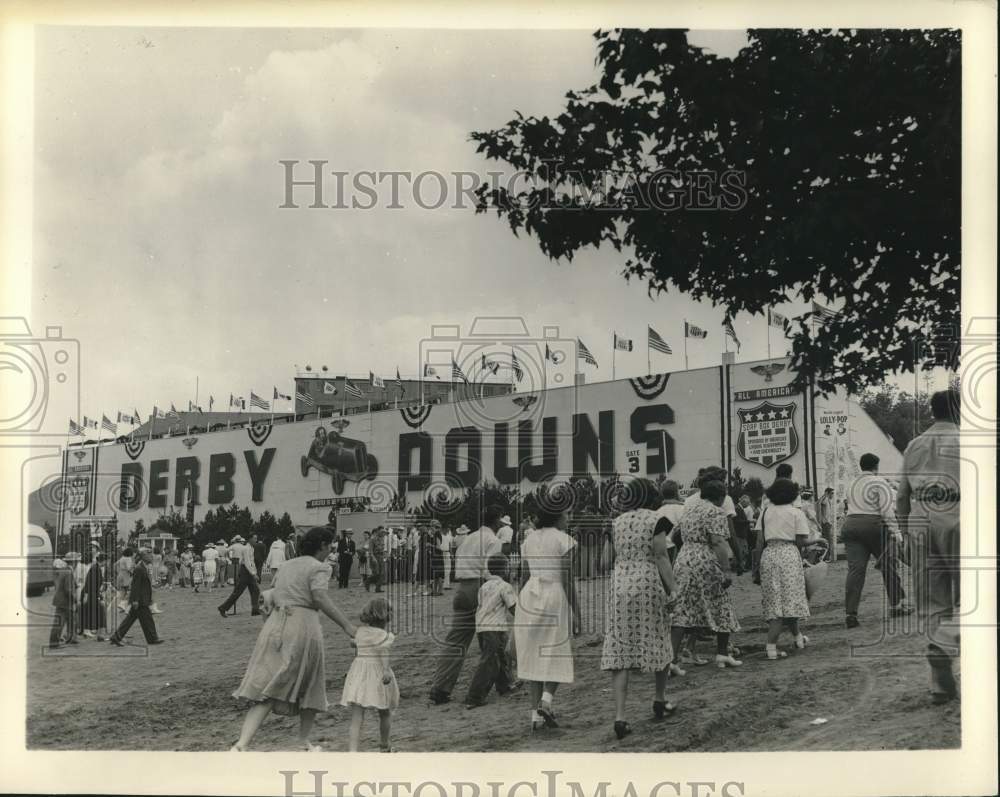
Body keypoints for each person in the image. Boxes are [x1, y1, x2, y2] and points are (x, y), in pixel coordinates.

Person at [231, 527, 358, 751]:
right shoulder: (319, 568)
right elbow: (319, 597)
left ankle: (241, 744)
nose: (330, 549)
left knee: (268, 684)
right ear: (322, 546)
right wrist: (347, 626)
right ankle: (302, 742)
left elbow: (270, 594)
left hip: (275, 625)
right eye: (329, 545)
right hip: (303, 626)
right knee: (311, 684)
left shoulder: (287, 565)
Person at [896, 389, 961, 704]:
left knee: (932, 601)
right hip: (958, 514)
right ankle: (948, 643)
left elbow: (901, 497)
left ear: (933, 412)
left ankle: (939, 683)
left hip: (920, 518)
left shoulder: (913, 445)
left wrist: (907, 535)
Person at [601, 479, 677, 740]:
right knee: (659, 636)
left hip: (620, 584)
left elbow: (603, 562)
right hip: (647, 581)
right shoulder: (657, 519)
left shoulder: (615, 523)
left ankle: (620, 716)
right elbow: (660, 555)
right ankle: (659, 698)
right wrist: (673, 589)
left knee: (620, 648)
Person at [515, 492, 580, 730]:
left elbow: (523, 574)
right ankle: (546, 700)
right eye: (567, 513)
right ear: (557, 515)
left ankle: (536, 717)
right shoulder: (564, 540)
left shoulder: (528, 540)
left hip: (530, 594)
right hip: (553, 594)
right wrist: (577, 612)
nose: (569, 518)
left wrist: (519, 606)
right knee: (556, 649)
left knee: (533, 653)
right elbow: (567, 578)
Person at [428, 508, 504, 705]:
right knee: (493, 638)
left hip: (462, 588)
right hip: (479, 587)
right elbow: (490, 570)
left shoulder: (468, 538)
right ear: (496, 523)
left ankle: (440, 687)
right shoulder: (493, 541)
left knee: (456, 641)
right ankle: (491, 688)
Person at [670, 480, 742, 670]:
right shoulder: (715, 511)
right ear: (720, 497)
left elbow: (676, 536)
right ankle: (722, 654)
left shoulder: (690, 510)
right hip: (704, 559)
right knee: (721, 604)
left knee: (683, 609)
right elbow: (717, 542)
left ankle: (671, 661)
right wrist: (726, 569)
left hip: (684, 558)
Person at [842, 452, 912, 628]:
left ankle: (851, 613)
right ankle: (897, 605)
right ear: (876, 467)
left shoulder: (851, 483)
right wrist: (897, 533)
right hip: (873, 524)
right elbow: (886, 511)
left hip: (850, 524)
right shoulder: (879, 482)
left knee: (855, 571)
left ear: (861, 466)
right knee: (888, 565)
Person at [752, 478, 812, 660]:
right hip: (789, 555)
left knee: (776, 599)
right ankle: (771, 648)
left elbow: (759, 542)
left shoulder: (765, 512)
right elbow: (801, 541)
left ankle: (798, 637)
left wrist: (756, 567)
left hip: (769, 555)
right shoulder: (796, 513)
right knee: (791, 598)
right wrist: (815, 542)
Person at [342, 597, 399, 752]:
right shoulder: (383, 636)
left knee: (357, 715)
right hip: (377, 674)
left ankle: (352, 750)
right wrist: (386, 670)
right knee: (384, 711)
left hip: (359, 673)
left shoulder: (359, 632)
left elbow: (354, 644)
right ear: (386, 616)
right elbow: (383, 653)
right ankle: (384, 745)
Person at [465, 554, 518, 709]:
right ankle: (474, 696)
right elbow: (513, 607)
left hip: (482, 627)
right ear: (505, 569)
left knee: (499, 657)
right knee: (490, 661)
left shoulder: (484, 586)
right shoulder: (505, 586)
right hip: (495, 627)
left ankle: (505, 685)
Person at [109, 549, 163, 646]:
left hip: (141, 599)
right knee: (147, 620)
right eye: (149, 555)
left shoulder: (143, 567)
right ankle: (152, 639)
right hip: (140, 600)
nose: (151, 556)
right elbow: (135, 586)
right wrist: (135, 600)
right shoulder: (139, 569)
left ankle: (116, 637)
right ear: (143, 556)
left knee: (131, 620)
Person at [217, 535, 262, 617]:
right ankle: (223, 608)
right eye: (254, 538)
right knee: (238, 592)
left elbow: (252, 562)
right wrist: (254, 574)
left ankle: (255, 609)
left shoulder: (251, 548)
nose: (256, 540)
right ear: (250, 539)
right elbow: (248, 562)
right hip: (245, 571)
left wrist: (254, 572)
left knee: (255, 590)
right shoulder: (246, 548)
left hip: (248, 572)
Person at [48, 557, 78, 649]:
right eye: (76, 562)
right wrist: (75, 599)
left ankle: (70, 638)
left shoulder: (64, 571)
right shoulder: (68, 572)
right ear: (74, 562)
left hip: (61, 600)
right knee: (60, 623)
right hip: (64, 601)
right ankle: (54, 643)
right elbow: (68, 589)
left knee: (70, 619)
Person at [80, 552, 108, 640]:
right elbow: (89, 582)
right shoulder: (96, 568)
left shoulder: (96, 568)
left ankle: (88, 630)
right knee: (92, 611)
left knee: (91, 611)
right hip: (90, 593)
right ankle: (88, 630)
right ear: (104, 561)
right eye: (107, 561)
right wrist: (87, 595)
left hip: (92, 593)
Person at [115, 547, 134, 613]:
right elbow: (129, 568)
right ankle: (123, 605)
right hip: (126, 575)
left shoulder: (122, 558)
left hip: (120, 574)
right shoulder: (128, 559)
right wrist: (133, 571)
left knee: (123, 591)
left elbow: (115, 564)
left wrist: (119, 571)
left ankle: (122, 606)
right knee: (128, 591)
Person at [439, 526, 453, 590]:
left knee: (448, 568)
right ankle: (440, 585)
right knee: (442, 568)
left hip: (447, 553)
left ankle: (446, 585)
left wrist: (451, 554)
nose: (447, 530)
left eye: (447, 529)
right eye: (445, 529)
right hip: (441, 553)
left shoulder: (449, 536)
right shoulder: (440, 536)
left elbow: (450, 546)